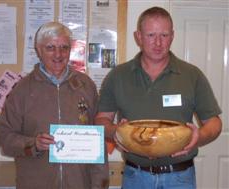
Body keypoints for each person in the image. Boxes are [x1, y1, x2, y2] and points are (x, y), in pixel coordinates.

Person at [95, 7, 222, 189]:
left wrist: (198, 137)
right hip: (135, 177)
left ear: (172, 36)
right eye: (151, 35)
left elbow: (215, 123)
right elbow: (101, 120)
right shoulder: (118, 76)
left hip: (180, 178)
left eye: (164, 35)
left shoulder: (192, 75)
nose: (158, 43)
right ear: (138, 36)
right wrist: (116, 132)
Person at [0, 22, 109, 189]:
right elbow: (4, 137)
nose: (58, 54)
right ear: (39, 50)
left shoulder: (86, 86)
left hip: (79, 184)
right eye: (50, 48)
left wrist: (100, 185)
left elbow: (99, 142)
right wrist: (34, 144)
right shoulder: (22, 90)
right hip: (35, 183)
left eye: (64, 47)